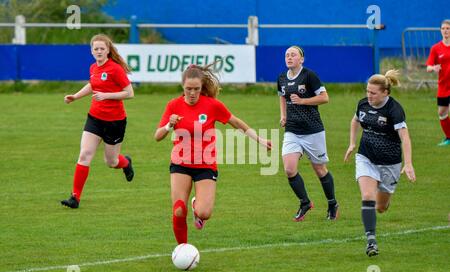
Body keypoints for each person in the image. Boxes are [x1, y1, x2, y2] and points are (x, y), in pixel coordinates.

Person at [154, 63, 271, 245]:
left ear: (202, 87)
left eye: (196, 89)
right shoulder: (173, 105)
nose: (192, 93)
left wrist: (260, 139)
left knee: (204, 213)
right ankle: (183, 248)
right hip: (180, 164)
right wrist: (169, 125)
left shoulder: (212, 105)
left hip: (205, 165)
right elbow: (157, 136)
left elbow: (236, 123)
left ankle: (196, 207)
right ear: (182, 87)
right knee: (178, 210)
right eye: (188, 89)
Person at [344, 70, 416, 257]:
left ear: (385, 92)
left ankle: (381, 204)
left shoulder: (394, 110)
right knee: (367, 195)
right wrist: (352, 143)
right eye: (367, 91)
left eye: (373, 93)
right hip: (365, 157)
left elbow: (405, 138)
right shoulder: (362, 104)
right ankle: (371, 241)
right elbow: (355, 120)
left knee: (381, 207)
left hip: (389, 163)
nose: (369, 96)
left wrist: (408, 164)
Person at [61, 34, 135, 209]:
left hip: (115, 122)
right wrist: (75, 97)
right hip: (94, 119)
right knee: (84, 154)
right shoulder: (93, 67)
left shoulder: (115, 69)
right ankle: (75, 197)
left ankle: (126, 162)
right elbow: (92, 85)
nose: (99, 51)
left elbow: (130, 93)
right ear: (92, 51)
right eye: (96, 49)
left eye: (102, 48)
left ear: (108, 51)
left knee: (111, 162)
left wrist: (107, 95)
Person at [277, 45, 339, 222]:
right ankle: (305, 202)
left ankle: (332, 203)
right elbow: (282, 96)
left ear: (301, 59)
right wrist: (283, 116)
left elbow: (325, 97)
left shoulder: (309, 75)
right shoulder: (281, 77)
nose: (289, 57)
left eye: (293, 55)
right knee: (289, 169)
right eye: (287, 55)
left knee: (319, 169)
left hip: (313, 130)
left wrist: (303, 101)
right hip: (293, 131)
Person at [426, 19, 450, 146]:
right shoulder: (436, 48)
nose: (445, 31)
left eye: (448, 28)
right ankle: (448, 137)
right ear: (440, 30)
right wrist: (433, 68)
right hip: (443, 85)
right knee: (442, 113)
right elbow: (428, 66)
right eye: (443, 28)